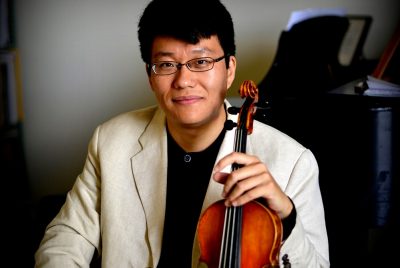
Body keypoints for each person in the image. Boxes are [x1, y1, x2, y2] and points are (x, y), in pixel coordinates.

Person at [34, 0, 329, 267]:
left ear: (229, 69)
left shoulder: (293, 163)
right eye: (166, 65)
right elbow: (67, 237)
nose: (184, 80)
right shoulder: (110, 140)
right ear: (150, 76)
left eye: (201, 62)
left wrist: (287, 220)